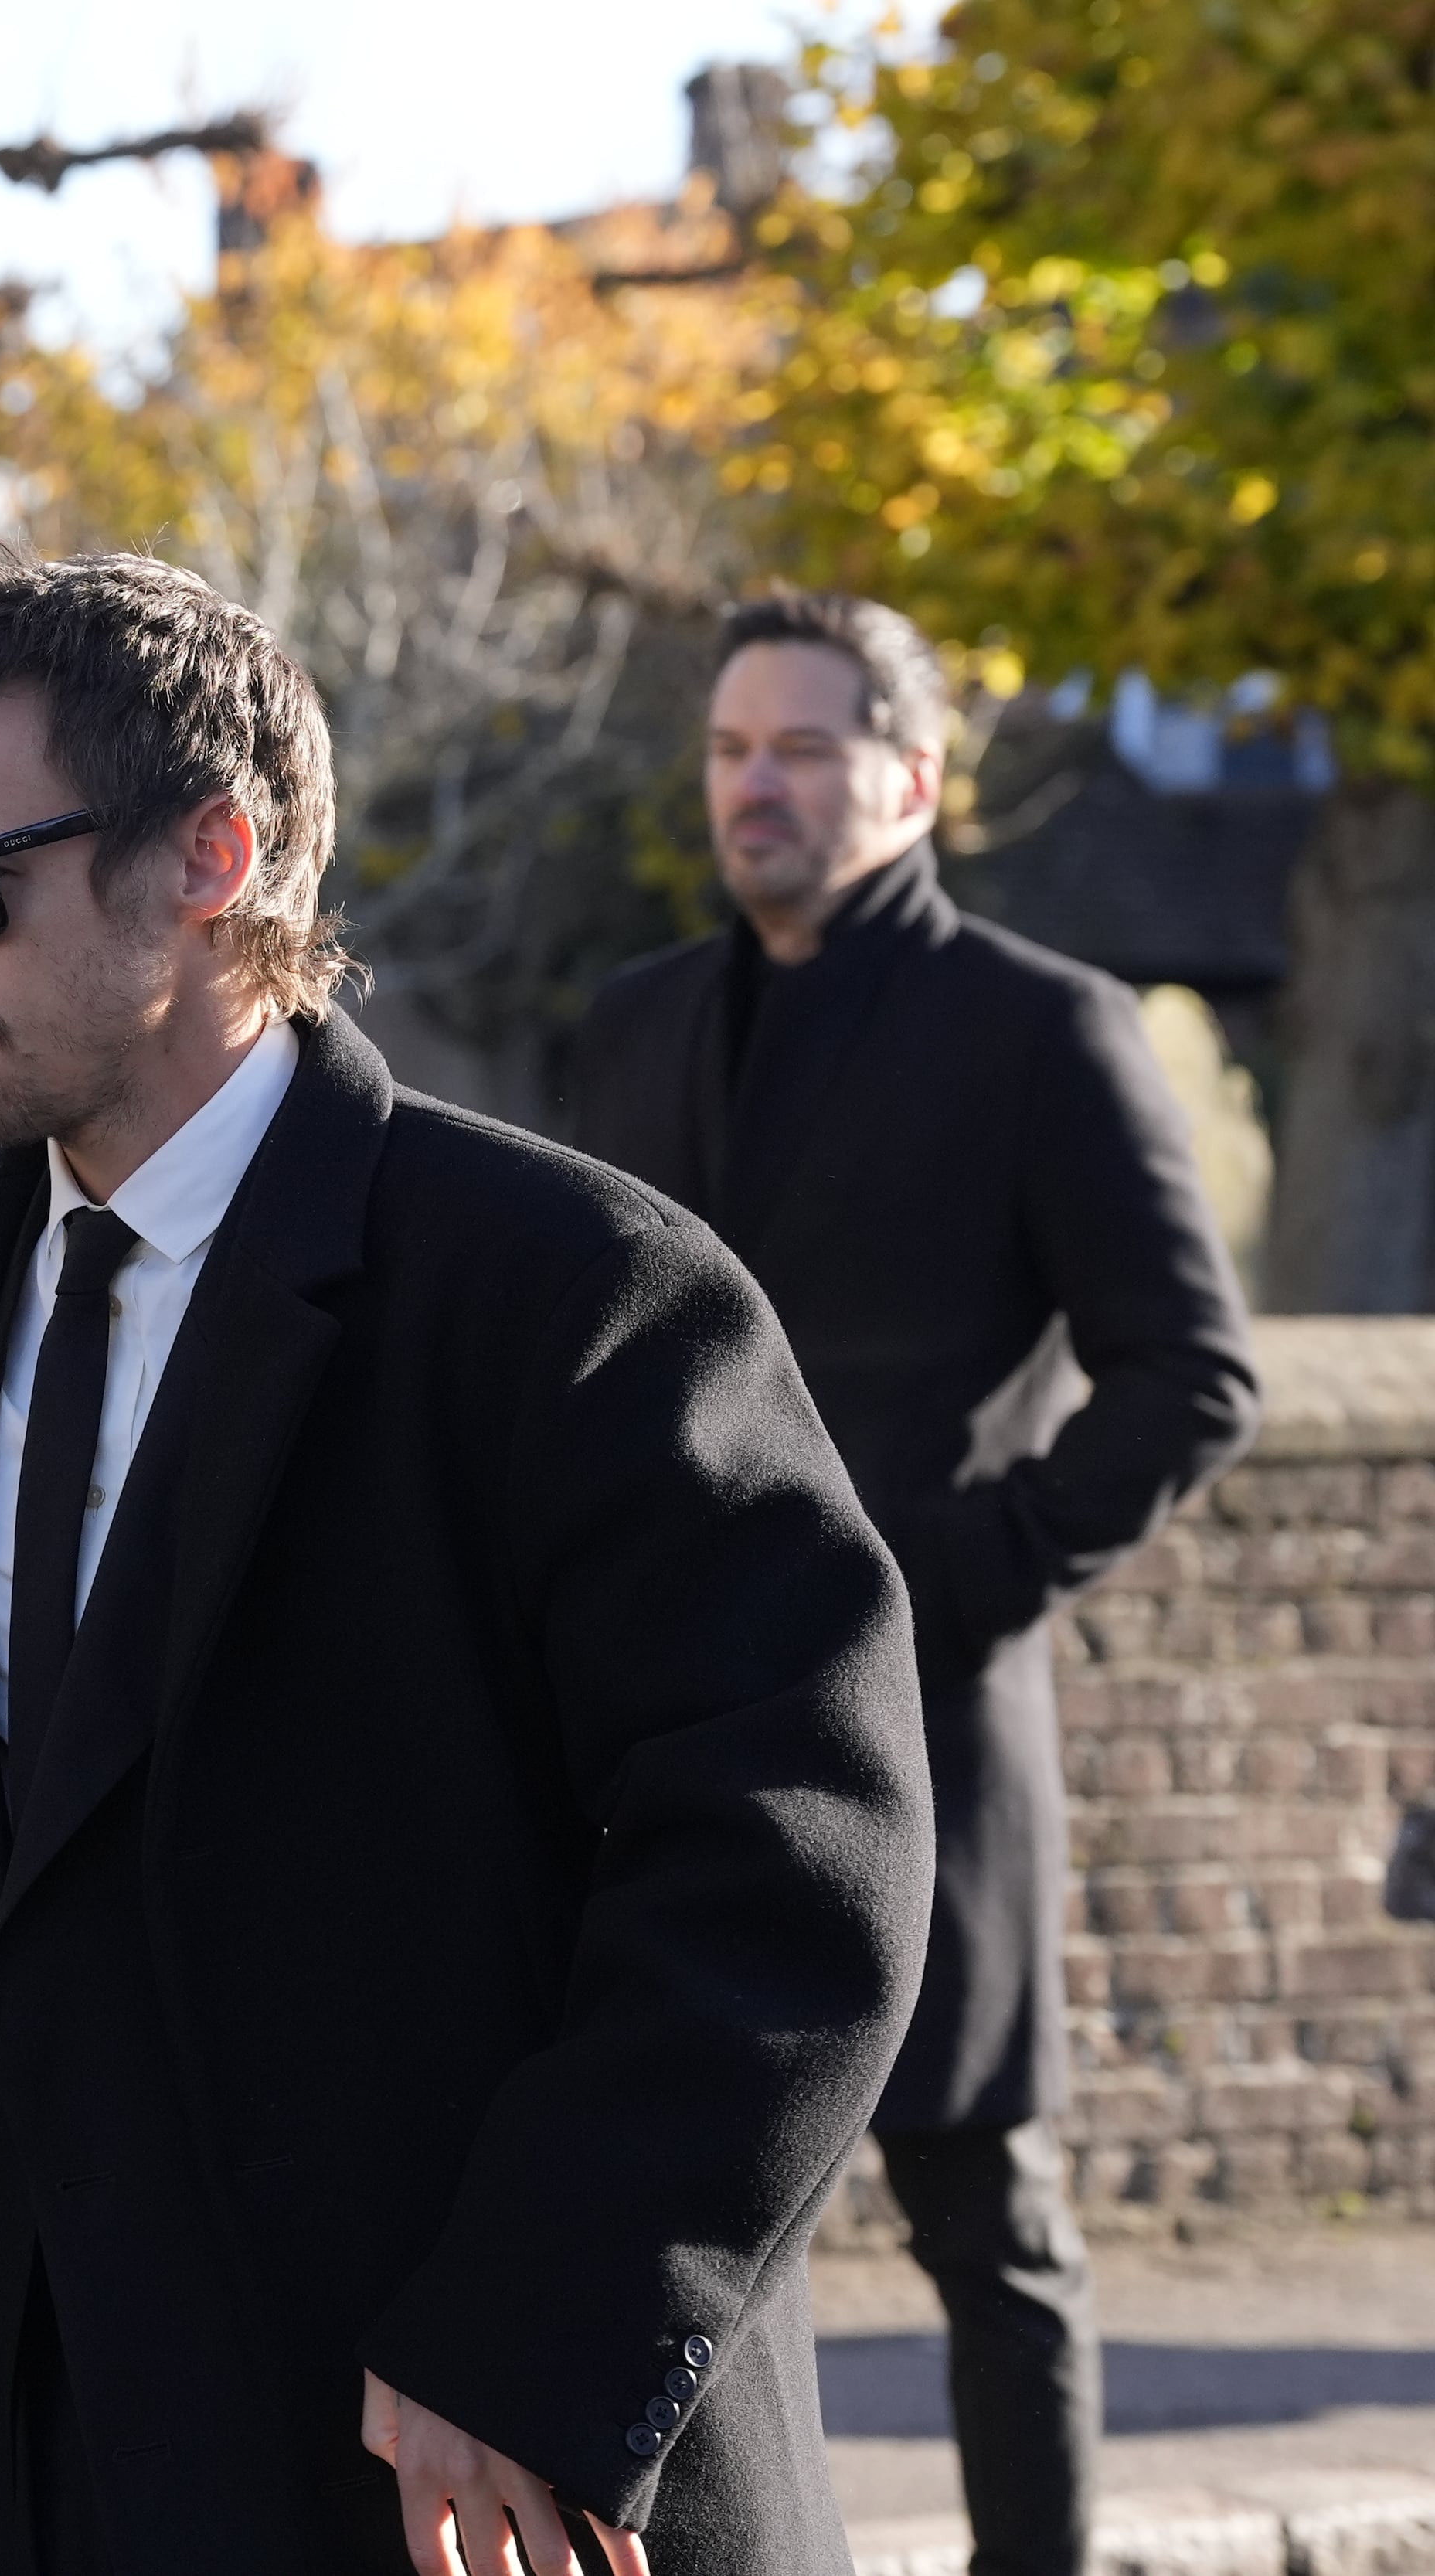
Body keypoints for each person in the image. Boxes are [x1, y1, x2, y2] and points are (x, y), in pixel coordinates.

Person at [0, 552, 935, 2576]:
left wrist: (540, 2332)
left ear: (212, 853)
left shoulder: (575, 1294)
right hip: (10, 2462)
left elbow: (799, 1853)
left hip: (426, 2470)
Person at [572, 592, 1260, 2576]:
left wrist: (952, 1571)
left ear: (910, 776)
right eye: (727, 751)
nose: (755, 785)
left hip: (936, 1729)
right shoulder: (630, 1027)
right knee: (659, 2226)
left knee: (995, 2235)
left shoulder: (1044, 1028)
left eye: (798, 746)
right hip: (667, 1737)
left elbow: (1188, 1374)